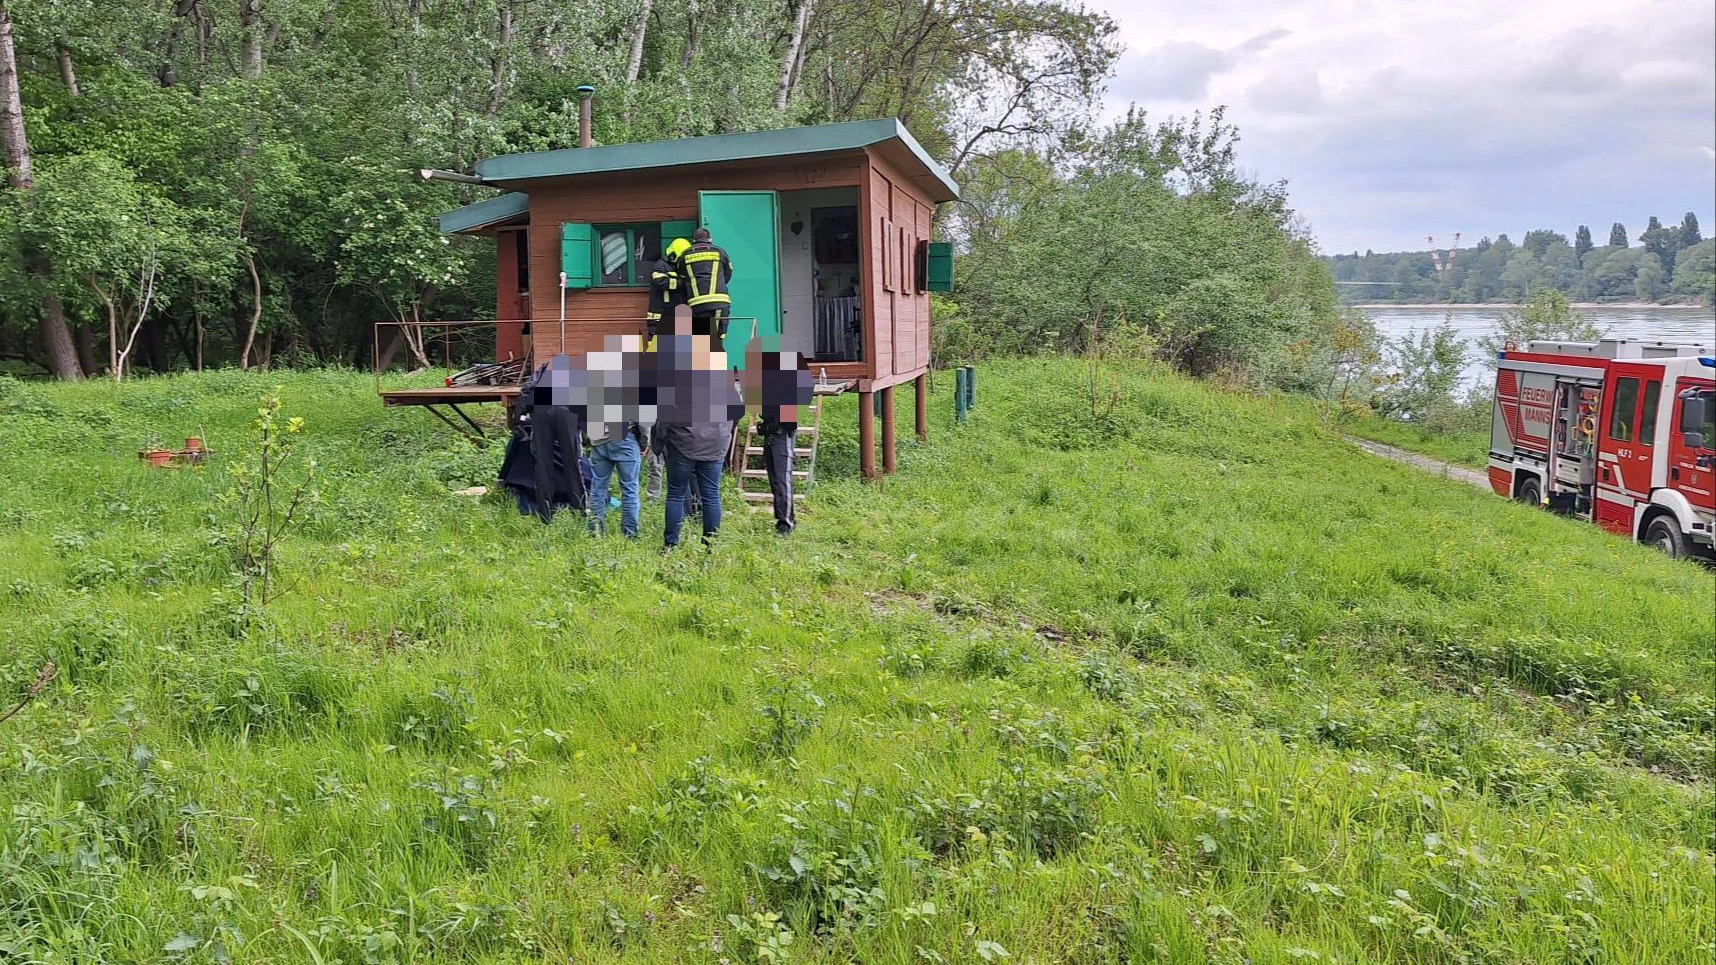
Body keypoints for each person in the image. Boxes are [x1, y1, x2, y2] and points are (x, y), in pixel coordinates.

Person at [656, 307, 742, 549]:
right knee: (711, 495)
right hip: (715, 444)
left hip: (682, 444)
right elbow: (737, 411)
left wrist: (658, 442)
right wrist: (724, 431)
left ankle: (670, 545)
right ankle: (709, 545)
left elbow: (665, 416)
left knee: (675, 493)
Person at [744, 345, 815, 536]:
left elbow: (790, 422)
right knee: (775, 480)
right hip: (771, 434)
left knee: (783, 480)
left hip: (781, 435)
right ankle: (784, 518)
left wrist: (773, 426)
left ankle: (786, 524)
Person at [518, 353, 587, 524]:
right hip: (567, 411)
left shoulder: (542, 370)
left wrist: (519, 417)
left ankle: (545, 513)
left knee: (543, 464)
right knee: (572, 462)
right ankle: (580, 510)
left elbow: (526, 389)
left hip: (541, 410)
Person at [679, 227, 734, 353]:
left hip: (697, 304)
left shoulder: (686, 254)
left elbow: (682, 275)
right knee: (718, 338)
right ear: (710, 239)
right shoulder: (720, 251)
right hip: (719, 302)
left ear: (693, 240)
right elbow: (728, 273)